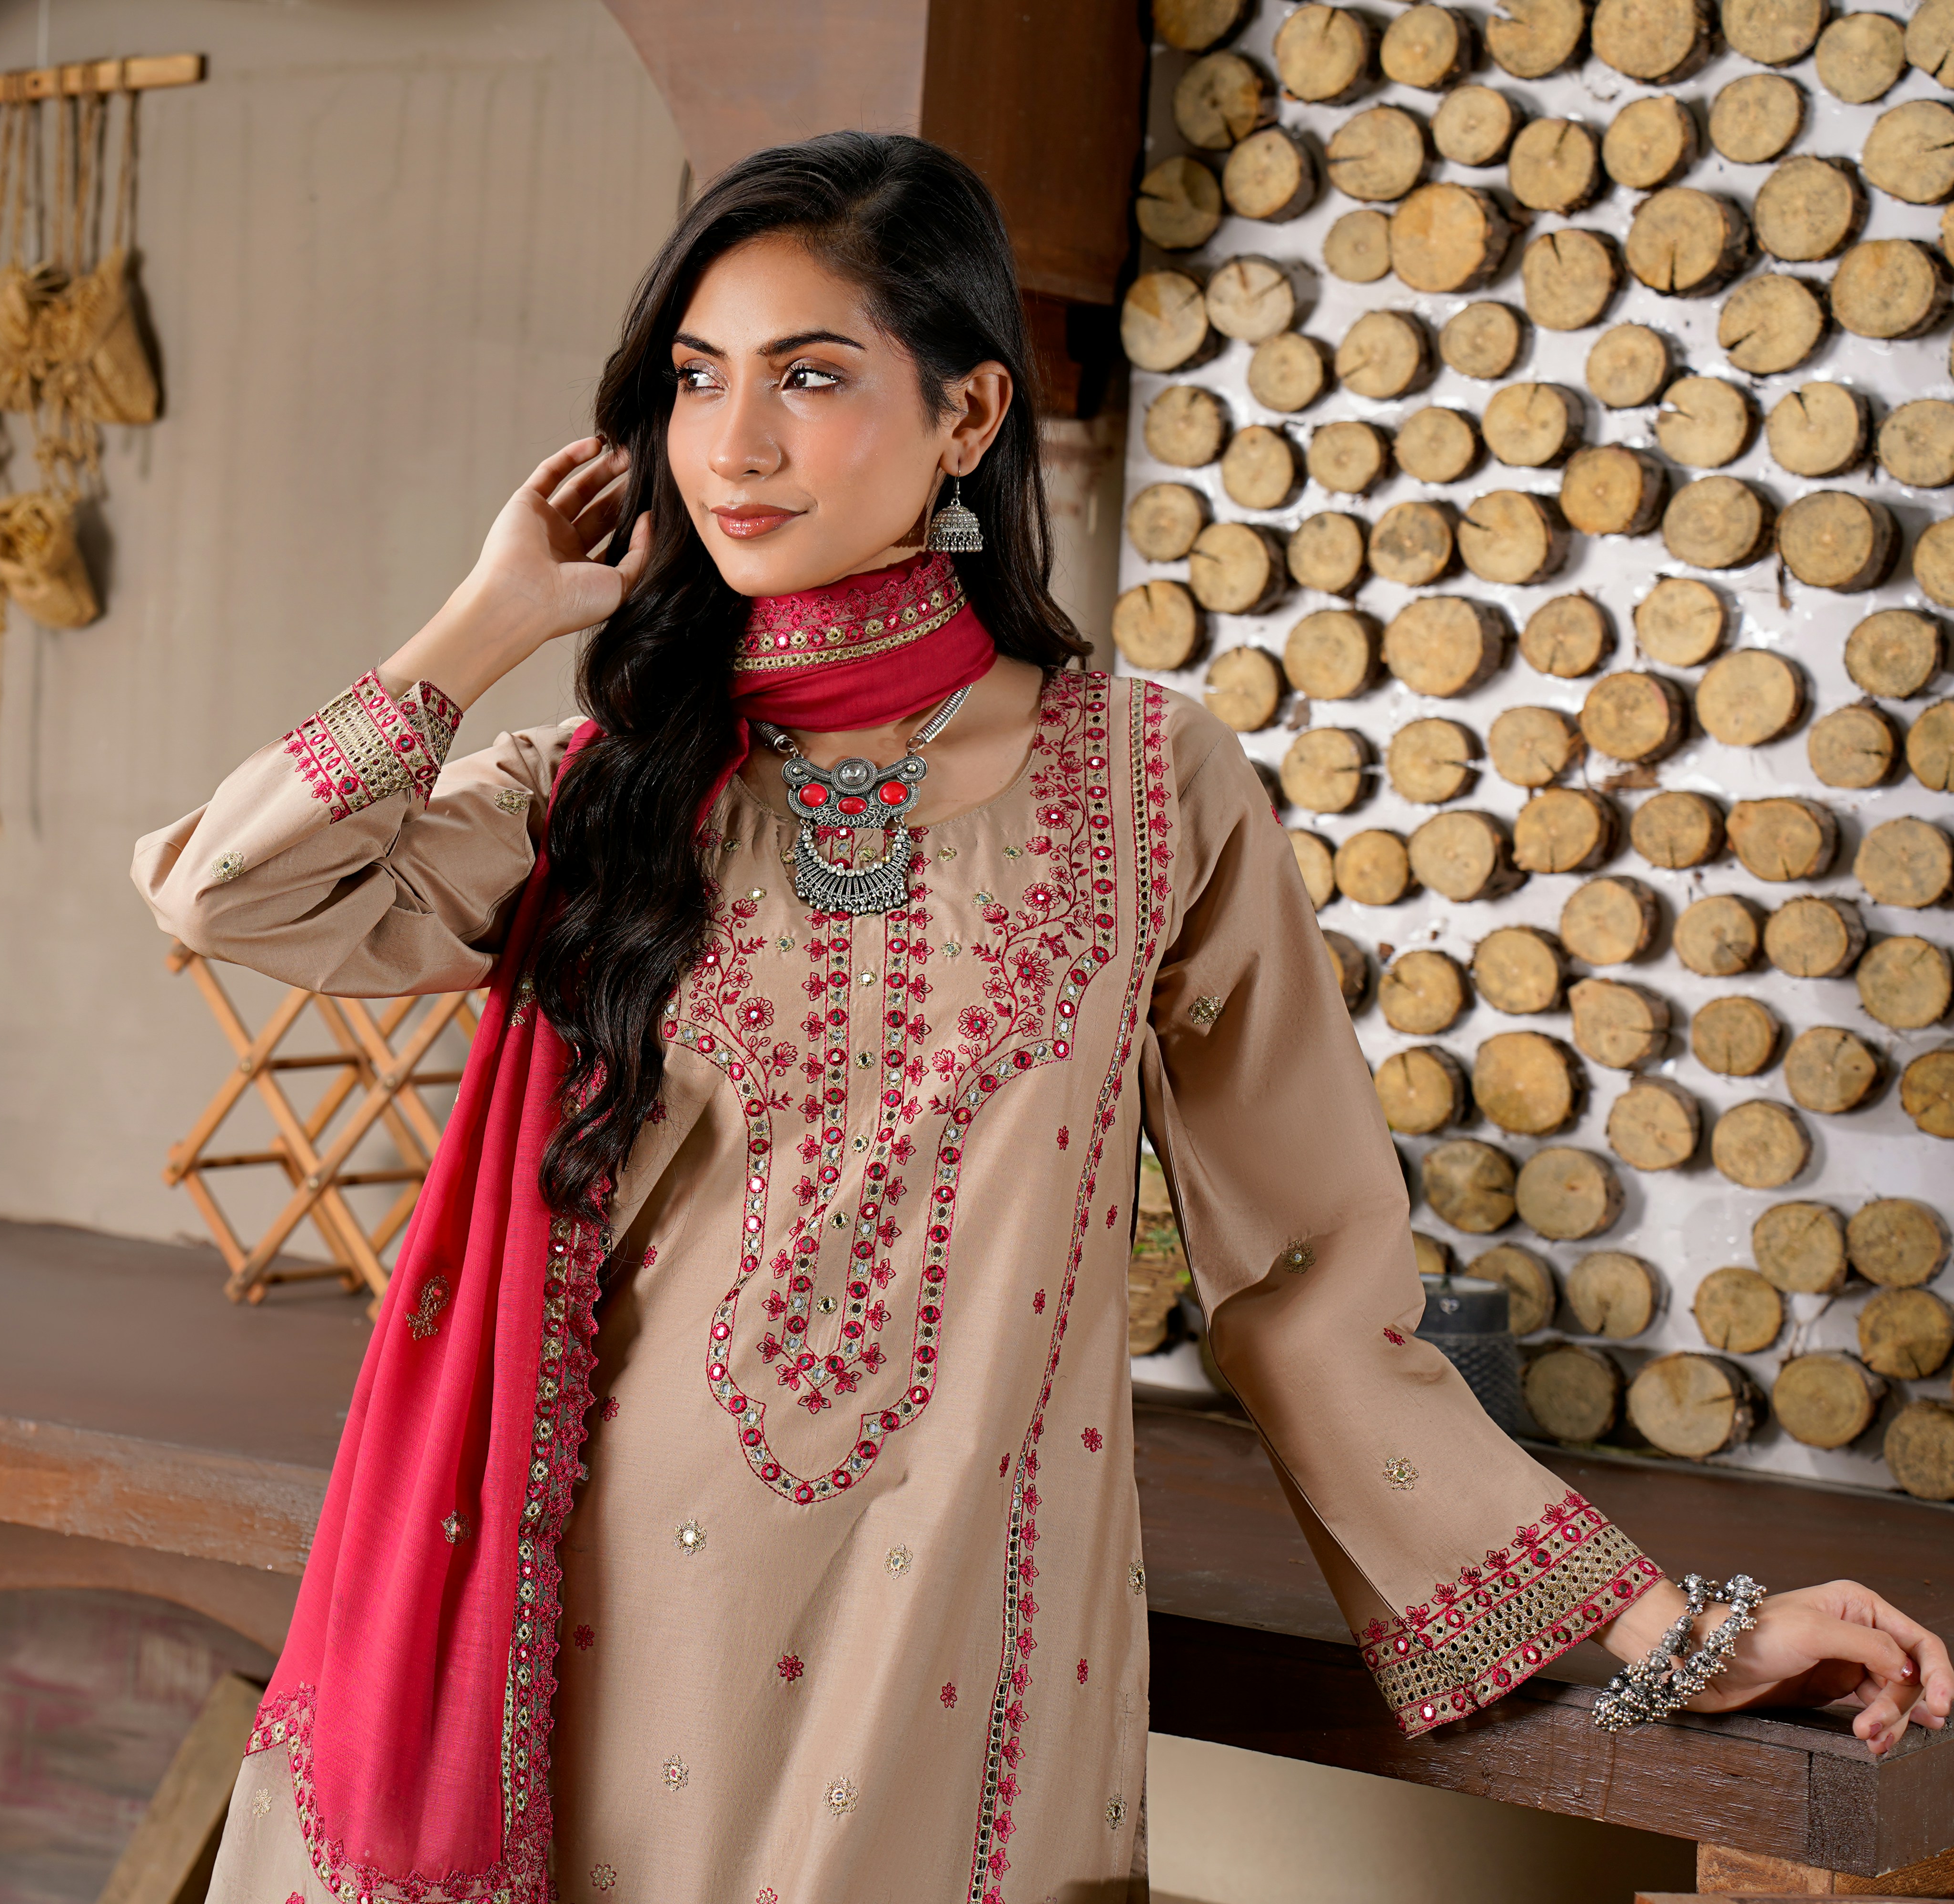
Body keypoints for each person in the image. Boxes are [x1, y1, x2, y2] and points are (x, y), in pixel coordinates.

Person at [132, 131, 1949, 1904]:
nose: (733, 446)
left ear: (970, 418)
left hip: (960, 1636)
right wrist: (483, 620)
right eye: (695, 380)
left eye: (813, 376)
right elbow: (233, 893)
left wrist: (1662, 1624)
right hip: (591, 1611)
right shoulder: (607, 782)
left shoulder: (1156, 781)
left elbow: (1311, 1279)